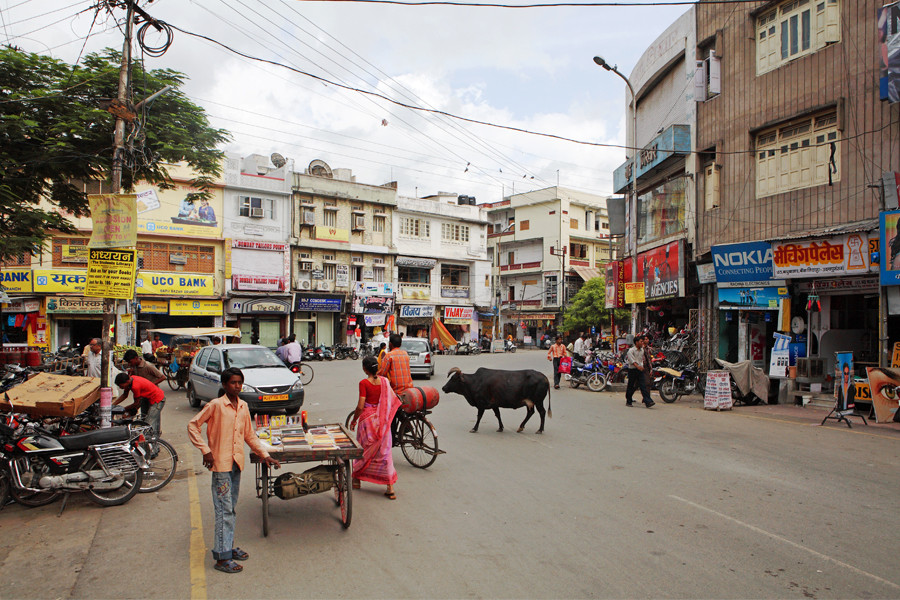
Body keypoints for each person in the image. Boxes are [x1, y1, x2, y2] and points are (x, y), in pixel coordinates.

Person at [188, 367, 280, 574]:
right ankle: (222, 557)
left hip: (236, 464)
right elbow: (193, 425)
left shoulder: (244, 406)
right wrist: (205, 450)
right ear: (224, 384)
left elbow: (249, 435)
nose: (237, 386)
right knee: (224, 510)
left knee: (230, 508)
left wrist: (265, 455)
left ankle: (226, 546)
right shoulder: (216, 405)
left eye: (240, 382)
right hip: (220, 466)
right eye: (233, 383)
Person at [349, 356, 401, 499]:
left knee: (363, 450)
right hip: (382, 422)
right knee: (384, 453)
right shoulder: (385, 382)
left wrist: (354, 420)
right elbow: (392, 400)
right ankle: (390, 487)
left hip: (367, 422)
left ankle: (356, 480)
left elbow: (360, 406)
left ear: (364, 369)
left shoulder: (364, 383)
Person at [625, 337, 655, 408]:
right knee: (631, 385)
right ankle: (628, 401)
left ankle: (648, 401)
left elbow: (641, 359)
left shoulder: (642, 350)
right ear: (636, 342)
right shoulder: (631, 351)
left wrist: (641, 367)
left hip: (640, 370)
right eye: (641, 341)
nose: (642, 343)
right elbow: (632, 361)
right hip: (632, 370)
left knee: (643, 385)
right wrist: (638, 366)